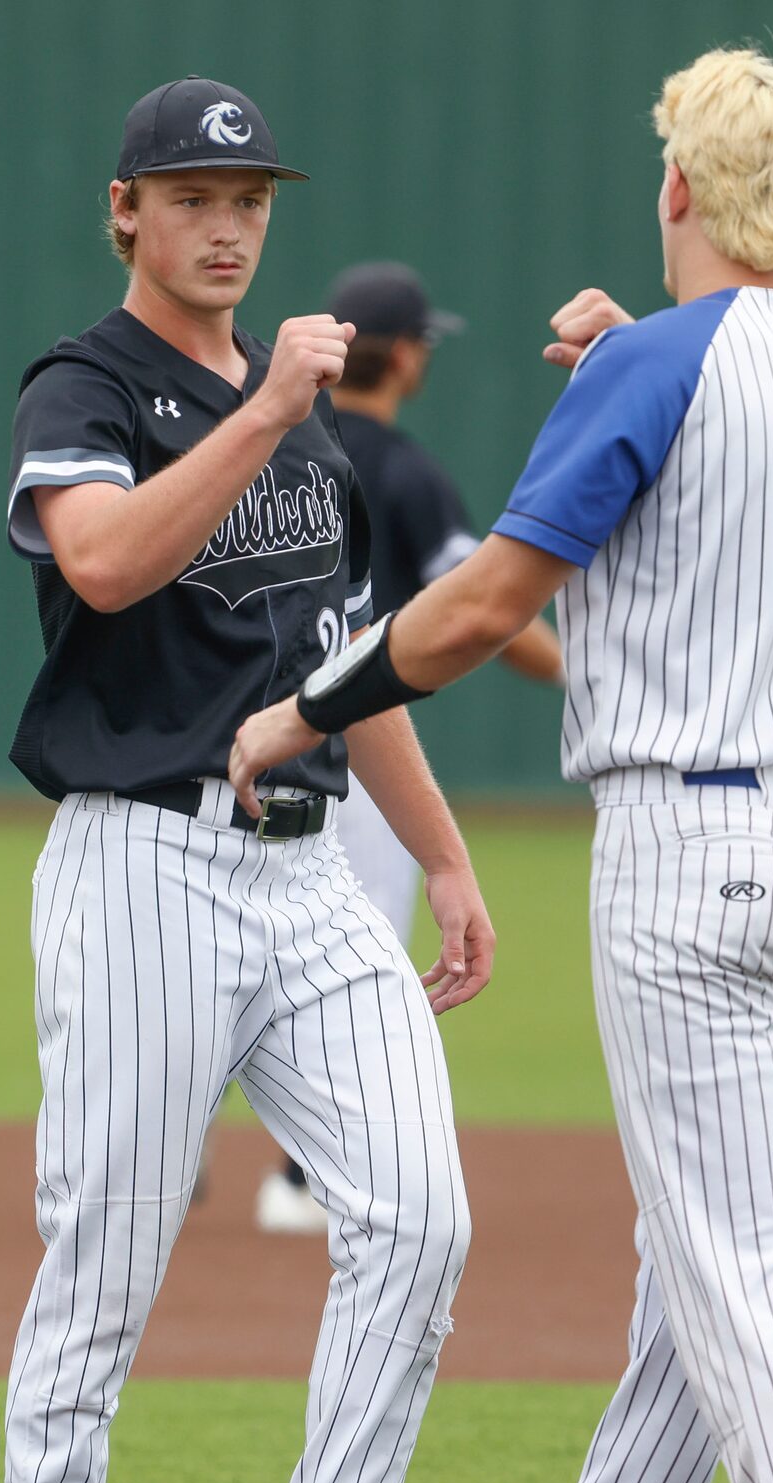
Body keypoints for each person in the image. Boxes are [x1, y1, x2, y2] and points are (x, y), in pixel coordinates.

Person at [226, 48, 773, 1483]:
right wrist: (636, 361)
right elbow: (729, 467)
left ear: (674, 186)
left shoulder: (660, 366)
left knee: (729, 1257)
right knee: (702, 1251)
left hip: (693, 850)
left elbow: (472, 613)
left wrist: (309, 705)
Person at [0, 77, 488, 1483]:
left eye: (250, 201)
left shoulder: (317, 434)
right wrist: (266, 410)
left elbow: (346, 665)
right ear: (126, 209)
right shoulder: (83, 387)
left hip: (311, 870)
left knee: (422, 1212)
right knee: (117, 1238)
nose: (227, 225)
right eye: (195, 196)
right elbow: (104, 559)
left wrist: (447, 858)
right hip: (144, 859)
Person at [255, 263, 563, 1236]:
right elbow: (489, 612)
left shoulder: (270, 445)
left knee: (231, 946)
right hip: (348, 745)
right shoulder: (404, 472)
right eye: (421, 340)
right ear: (398, 354)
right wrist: (577, 676)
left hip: (233, 731)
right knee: (356, 953)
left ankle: (169, 1152)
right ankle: (308, 1178)